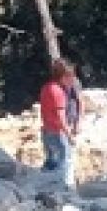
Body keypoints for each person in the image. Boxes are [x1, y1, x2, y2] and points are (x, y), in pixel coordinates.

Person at [38, 59, 79, 187]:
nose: (72, 79)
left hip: (46, 131)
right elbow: (61, 117)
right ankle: (66, 188)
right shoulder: (59, 93)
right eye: (70, 76)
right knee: (66, 162)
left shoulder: (46, 88)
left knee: (51, 161)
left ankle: (43, 184)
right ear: (63, 76)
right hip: (58, 133)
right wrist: (70, 136)